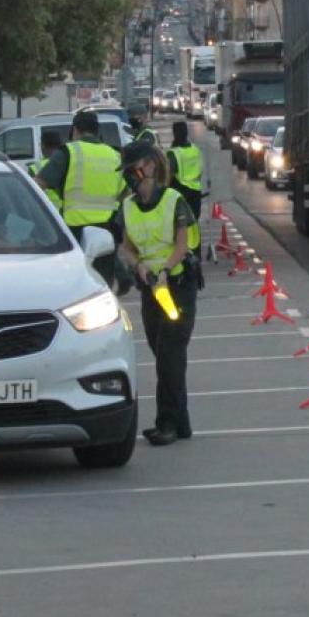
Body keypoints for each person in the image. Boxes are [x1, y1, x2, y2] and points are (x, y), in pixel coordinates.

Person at [116, 143, 200, 445]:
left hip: (176, 288)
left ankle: (167, 424)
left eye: (134, 168)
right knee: (161, 351)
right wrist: (137, 266)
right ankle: (182, 423)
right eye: (126, 171)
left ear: (150, 166)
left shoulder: (174, 201)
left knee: (169, 354)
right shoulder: (127, 206)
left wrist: (165, 268)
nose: (130, 176)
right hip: (151, 289)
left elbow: (181, 245)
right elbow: (126, 246)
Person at [36, 109, 124, 286]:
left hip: (74, 232)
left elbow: (38, 185)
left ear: (75, 130)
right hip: (106, 232)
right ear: (97, 131)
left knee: (75, 287)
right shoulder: (114, 156)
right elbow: (126, 195)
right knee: (102, 286)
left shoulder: (68, 152)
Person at [168, 120, 206, 216]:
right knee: (194, 222)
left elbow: (168, 175)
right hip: (196, 192)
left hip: (180, 192)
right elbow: (200, 171)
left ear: (174, 133)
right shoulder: (195, 150)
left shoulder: (173, 153)